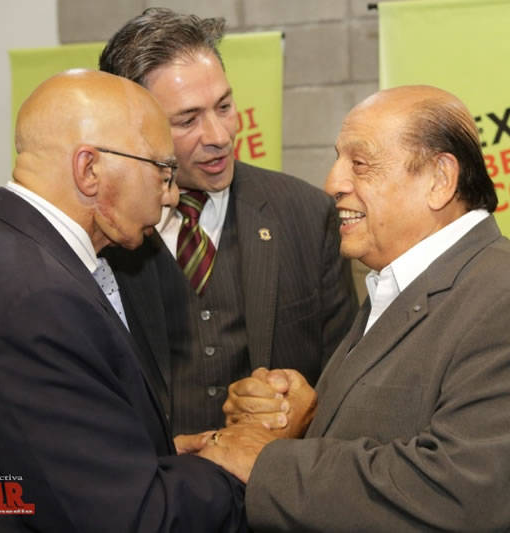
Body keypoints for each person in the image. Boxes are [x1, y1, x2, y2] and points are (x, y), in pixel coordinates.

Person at [206, 85, 510, 531]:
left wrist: (268, 461)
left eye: (360, 164)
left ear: (439, 180)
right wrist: (302, 417)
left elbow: (457, 497)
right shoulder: (398, 286)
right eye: (338, 160)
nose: (333, 183)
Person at [0, 70, 255, 532]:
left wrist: (152, 457)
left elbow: (38, 470)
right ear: (89, 170)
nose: (171, 196)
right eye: (162, 171)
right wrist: (233, 466)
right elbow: (132, 518)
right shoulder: (38, 300)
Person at [98, 7, 359, 435]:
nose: (219, 136)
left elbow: (345, 381)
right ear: (133, 127)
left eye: (224, 106)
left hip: (275, 474)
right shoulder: (99, 231)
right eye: (188, 120)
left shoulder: (307, 215)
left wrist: (300, 409)